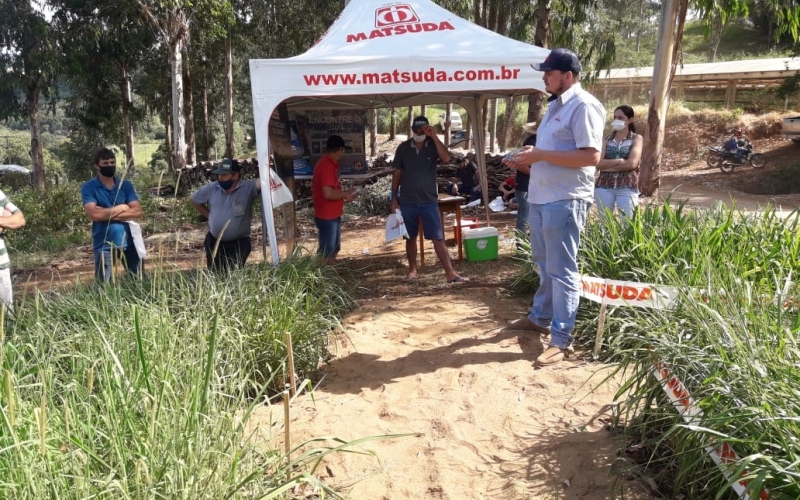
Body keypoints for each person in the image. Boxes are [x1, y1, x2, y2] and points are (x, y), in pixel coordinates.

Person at [504, 48, 605, 367]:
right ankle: (540, 318)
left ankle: (561, 339)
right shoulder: (555, 106)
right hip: (542, 196)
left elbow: (590, 156)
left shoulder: (583, 105)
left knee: (562, 270)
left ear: (569, 76)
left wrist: (540, 155)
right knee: (543, 262)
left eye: (549, 72)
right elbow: (549, 152)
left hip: (565, 199)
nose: (545, 76)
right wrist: (529, 156)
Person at [391, 116, 468, 283]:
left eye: (423, 129)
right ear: (412, 130)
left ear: (428, 129)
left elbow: (446, 158)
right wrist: (393, 198)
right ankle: (412, 271)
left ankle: (450, 273)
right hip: (408, 200)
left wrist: (434, 136)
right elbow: (396, 173)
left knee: (437, 237)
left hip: (428, 200)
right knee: (410, 237)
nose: (420, 133)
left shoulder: (433, 146)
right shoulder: (403, 148)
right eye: (417, 130)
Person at [81, 147, 144, 281]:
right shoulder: (89, 187)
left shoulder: (125, 185)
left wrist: (105, 213)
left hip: (130, 241)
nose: (110, 165)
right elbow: (94, 215)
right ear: (97, 166)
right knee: (104, 285)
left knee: (140, 280)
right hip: (104, 244)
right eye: (105, 163)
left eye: (112, 162)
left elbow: (137, 211)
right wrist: (122, 207)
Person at [190, 158, 261, 272]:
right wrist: (209, 215)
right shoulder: (212, 188)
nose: (220, 178)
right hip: (214, 241)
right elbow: (194, 200)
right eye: (219, 175)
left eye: (224, 175)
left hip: (239, 243)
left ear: (235, 176)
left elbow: (262, 182)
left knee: (234, 274)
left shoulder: (247, 188)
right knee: (216, 274)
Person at [311, 135, 356, 264]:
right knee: (327, 252)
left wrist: (346, 193)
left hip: (332, 214)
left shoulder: (331, 164)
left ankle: (331, 275)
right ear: (340, 149)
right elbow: (328, 193)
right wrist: (344, 195)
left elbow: (333, 189)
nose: (343, 154)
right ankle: (324, 278)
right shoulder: (326, 165)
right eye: (343, 150)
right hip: (327, 215)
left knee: (334, 249)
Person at [595, 105, 643, 218]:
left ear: (630, 120)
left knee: (628, 223)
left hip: (627, 187)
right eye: (615, 117)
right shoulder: (606, 139)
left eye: (621, 118)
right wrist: (620, 161)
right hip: (604, 186)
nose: (616, 120)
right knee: (604, 223)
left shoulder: (636, 139)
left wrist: (606, 167)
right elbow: (598, 163)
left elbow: (632, 164)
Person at [507, 123, 536, 247]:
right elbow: (520, 164)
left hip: (530, 185)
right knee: (524, 216)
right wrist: (535, 174)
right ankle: (521, 247)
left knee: (528, 216)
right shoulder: (532, 141)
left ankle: (526, 245)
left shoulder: (537, 141)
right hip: (525, 185)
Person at [0, 191, 25, 312]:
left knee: (6, 317)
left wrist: (3, 221)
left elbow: (19, 220)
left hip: (1, 266)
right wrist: (5, 218)